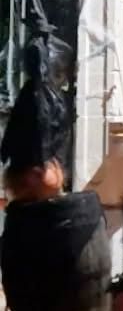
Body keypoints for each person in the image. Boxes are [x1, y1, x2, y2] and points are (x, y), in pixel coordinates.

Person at [1, 38, 68, 203]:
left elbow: (15, 127)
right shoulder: (46, 95)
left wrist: (5, 152)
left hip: (30, 168)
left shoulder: (32, 92)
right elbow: (47, 127)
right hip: (38, 168)